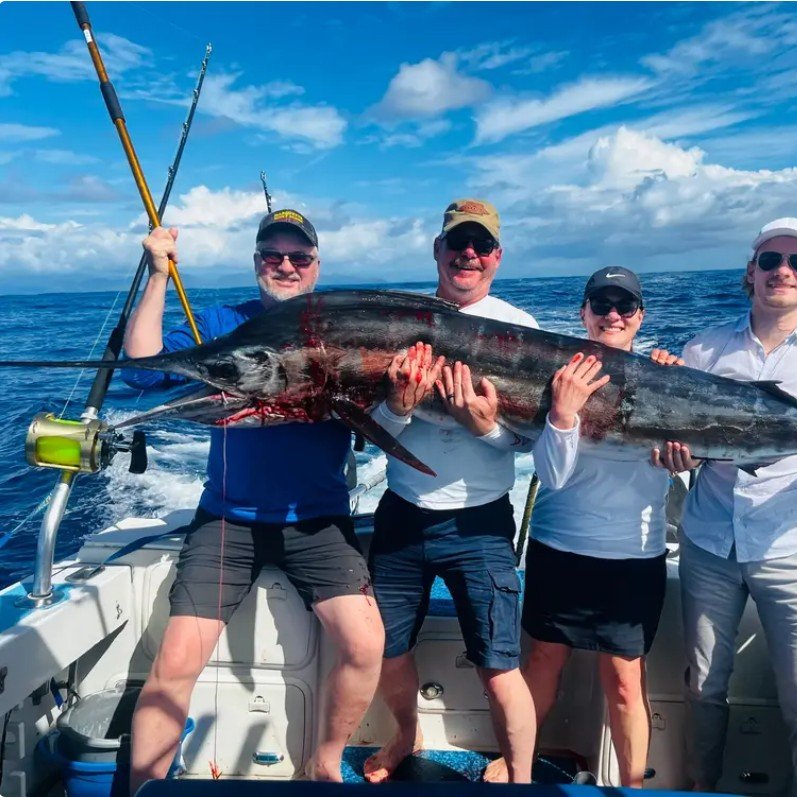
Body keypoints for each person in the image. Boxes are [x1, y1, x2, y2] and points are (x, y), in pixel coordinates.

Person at [122, 210, 385, 791]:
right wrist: (158, 274)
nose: (285, 266)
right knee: (173, 668)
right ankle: (144, 788)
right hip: (227, 521)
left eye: (299, 257)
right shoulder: (223, 323)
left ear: (317, 267)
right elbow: (143, 371)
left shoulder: (341, 328)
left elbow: (392, 404)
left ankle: (324, 762)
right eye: (273, 255)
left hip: (317, 522)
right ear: (257, 262)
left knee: (366, 645)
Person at [653, 218, 797, 796]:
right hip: (709, 545)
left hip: (790, 549)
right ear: (751, 273)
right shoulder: (703, 348)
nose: (783, 272)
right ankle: (701, 789)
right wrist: (679, 459)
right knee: (703, 688)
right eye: (770, 261)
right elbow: (683, 438)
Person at [363, 199, 539, 784]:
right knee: (386, 649)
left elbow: (527, 442)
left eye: (481, 245)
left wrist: (483, 425)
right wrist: (396, 407)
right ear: (437, 250)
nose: (469, 253)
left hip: (480, 524)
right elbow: (370, 432)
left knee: (498, 664)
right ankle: (404, 738)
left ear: (497, 257)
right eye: (457, 243)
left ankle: (518, 769)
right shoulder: (397, 325)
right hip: (403, 515)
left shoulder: (522, 331)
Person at [482, 266, 676, 787]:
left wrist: (686, 461)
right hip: (560, 542)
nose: (613, 315)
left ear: (640, 317)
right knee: (542, 661)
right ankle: (516, 761)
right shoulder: (556, 374)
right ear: (583, 314)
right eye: (601, 304)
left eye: (625, 306)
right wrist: (563, 414)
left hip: (634, 552)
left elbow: (692, 457)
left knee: (624, 679)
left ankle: (632, 783)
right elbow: (552, 475)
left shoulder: (668, 377)